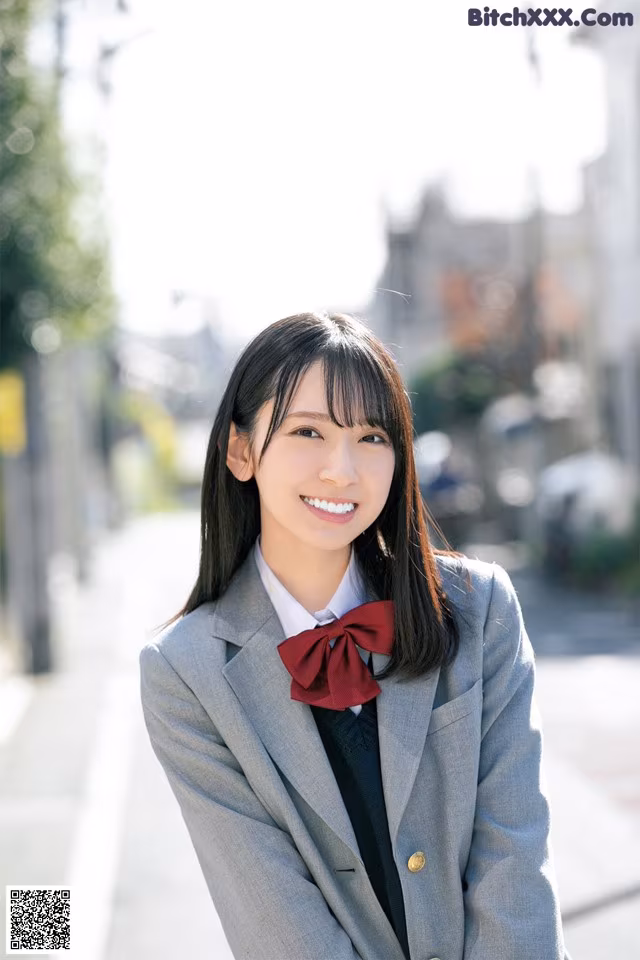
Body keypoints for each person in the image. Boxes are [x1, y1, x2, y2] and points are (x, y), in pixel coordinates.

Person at [139, 311, 572, 960]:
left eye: (372, 437)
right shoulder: (186, 673)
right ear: (240, 451)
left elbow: (516, 863)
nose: (343, 470)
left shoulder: (477, 609)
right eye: (308, 431)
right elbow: (274, 921)